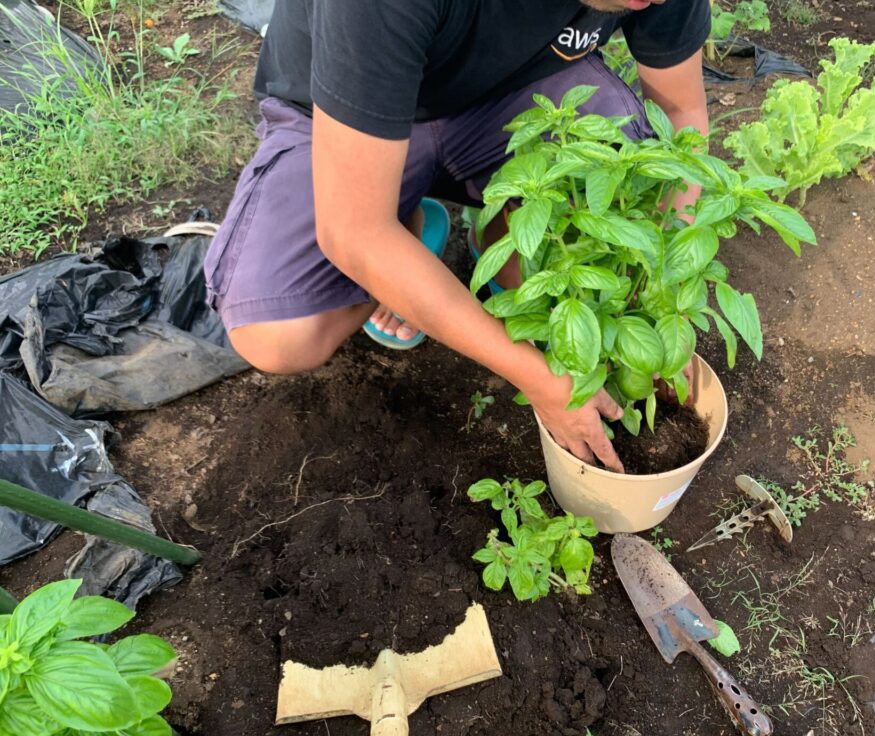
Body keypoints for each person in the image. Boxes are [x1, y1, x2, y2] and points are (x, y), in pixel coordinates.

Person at [204, 0, 711, 473]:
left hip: (516, 98)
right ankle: (403, 227)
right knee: (280, 335)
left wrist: (660, 297)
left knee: (599, 250)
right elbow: (351, 230)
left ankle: (494, 232)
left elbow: (683, 118)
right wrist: (540, 380)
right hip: (344, 121)